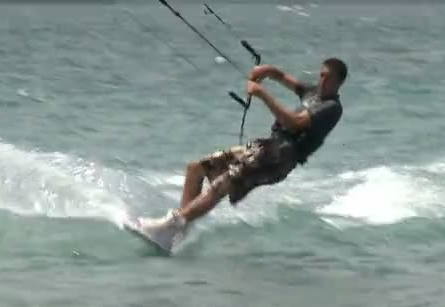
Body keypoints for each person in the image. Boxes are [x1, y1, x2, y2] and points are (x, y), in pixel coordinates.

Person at [132, 57, 348, 251]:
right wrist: (268, 70)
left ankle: (171, 226)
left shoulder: (331, 107)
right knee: (196, 168)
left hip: (280, 157)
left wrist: (263, 94)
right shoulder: (313, 93)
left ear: (339, 83)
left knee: (223, 183)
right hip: (266, 146)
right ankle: (175, 233)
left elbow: (294, 122)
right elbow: (282, 77)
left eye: (328, 78)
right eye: (321, 75)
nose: (322, 81)